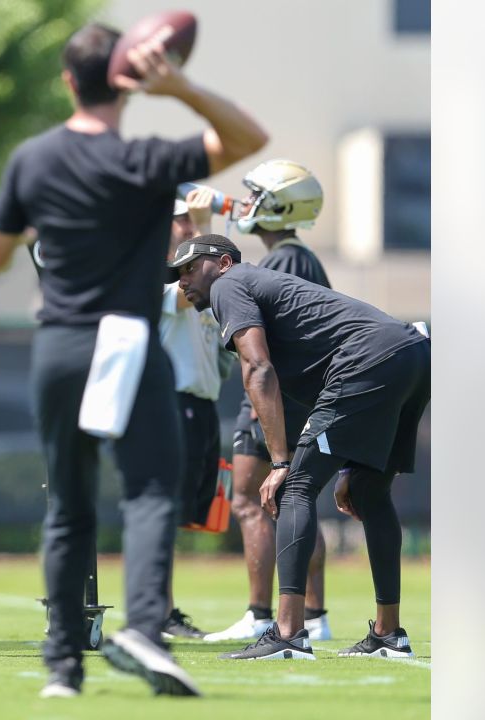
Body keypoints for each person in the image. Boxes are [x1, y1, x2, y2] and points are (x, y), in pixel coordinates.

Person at [0, 22, 267, 698]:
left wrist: (30, 219)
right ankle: (142, 625)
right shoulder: (143, 159)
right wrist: (181, 87)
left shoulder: (33, 158)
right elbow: (250, 139)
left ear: (65, 82)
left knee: (69, 507)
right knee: (148, 491)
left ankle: (62, 668)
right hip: (127, 342)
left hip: (58, 345)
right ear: (126, 84)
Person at [171, 235, 429, 661]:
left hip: (369, 359)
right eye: (177, 274)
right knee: (369, 491)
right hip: (411, 354)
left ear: (222, 262)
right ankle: (388, 634)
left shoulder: (228, 285)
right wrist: (348, 467)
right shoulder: (252, 284)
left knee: (294, 487)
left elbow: (258, 368)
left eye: (189, 269)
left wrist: (279, 461)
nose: (182, 281)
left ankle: (289, 632)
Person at [204, 160, 334, 643]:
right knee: (294, 500)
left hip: (276, 392)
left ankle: (262, 613)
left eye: (258, 195)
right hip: (296, 392)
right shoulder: (300, 259)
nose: (247, 204)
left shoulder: (285, 260)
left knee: (252, 500)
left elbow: (262, 344)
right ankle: (314, 615)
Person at [158, 190, 230, 641]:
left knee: (184, 515)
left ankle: (164, 609)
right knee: (161, 514)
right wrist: (205, 227)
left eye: (191, 220)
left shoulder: (198, 281)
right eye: (180, 220)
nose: (188, 226)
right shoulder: (157, 279)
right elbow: (185, 294)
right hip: (172, 405)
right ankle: (158, 611)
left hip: (202, 406)